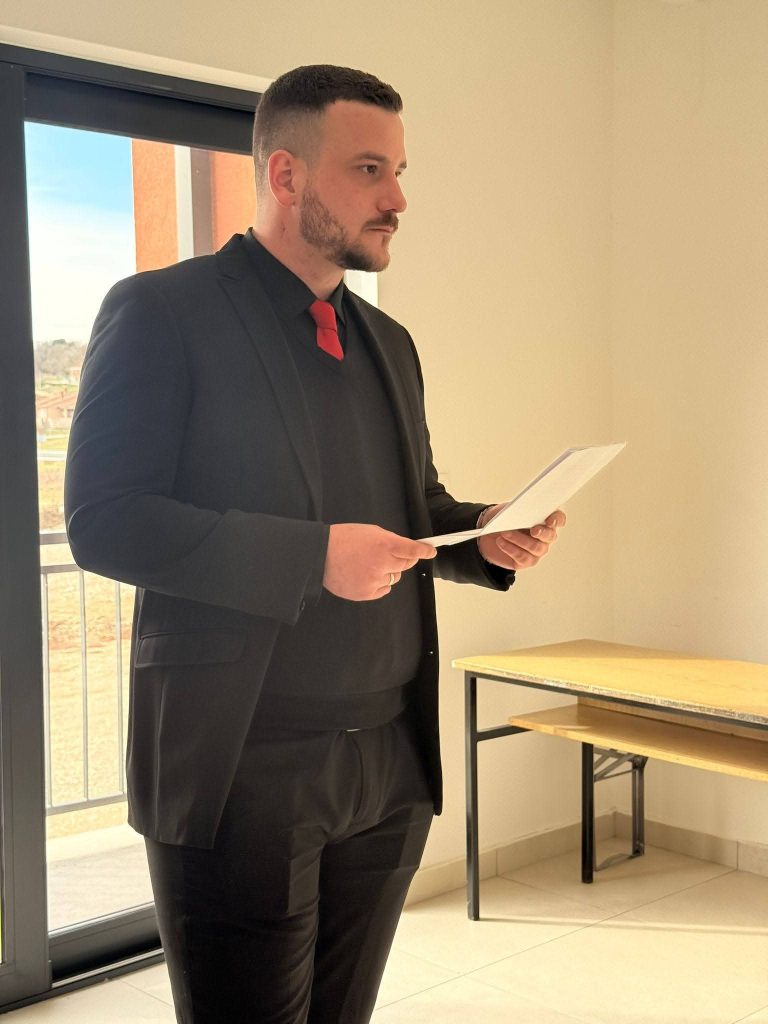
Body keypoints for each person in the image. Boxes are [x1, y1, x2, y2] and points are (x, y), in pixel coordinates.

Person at [64, 64, 565, 1024]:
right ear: (286, 175)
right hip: (239, 764)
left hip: (388, 763)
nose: (397, 199)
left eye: (399, 172)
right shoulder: (161, 312)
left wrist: (483, 537)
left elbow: (412, 506)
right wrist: (312, 557)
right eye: (370, 170)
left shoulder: (390, 343)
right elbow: (106, 519)